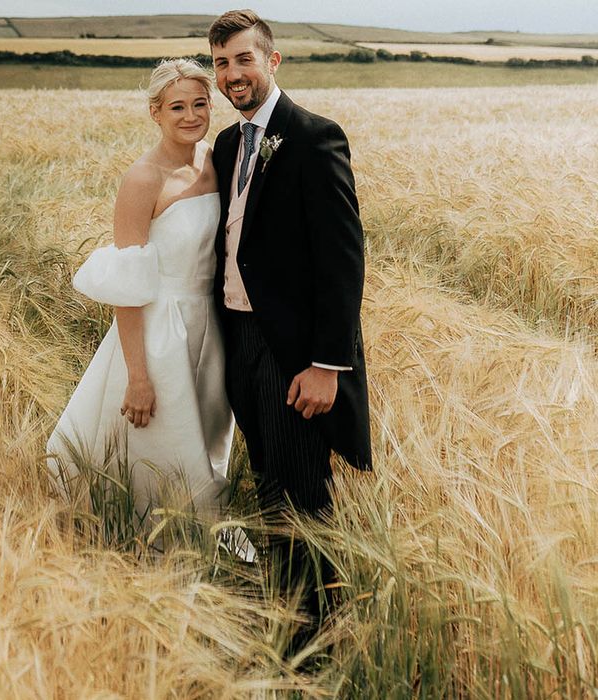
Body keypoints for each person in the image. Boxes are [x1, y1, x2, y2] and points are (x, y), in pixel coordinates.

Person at [208, 10, 372, 632]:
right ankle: (285, 615)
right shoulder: (227, 144)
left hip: (297, 352)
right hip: (240, 339)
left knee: (304, 493)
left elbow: (343, 259)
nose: (232, 74)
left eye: (244, 60)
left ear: (273, 62)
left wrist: (327, 364)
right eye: (222, 63)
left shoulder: (313, 137)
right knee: (268, 484)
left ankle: (317, 634)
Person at [46, 59, 237, 531]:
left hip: (212, 329)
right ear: (155, 112)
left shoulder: (215, 160)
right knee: (163, 448)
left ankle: (205, 542)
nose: (190, 115)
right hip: (158, 334)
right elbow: (128, 287)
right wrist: (138, 376)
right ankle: (146, 543)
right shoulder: (142, 179)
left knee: (208, 442)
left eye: (199, 104)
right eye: (177, 107)